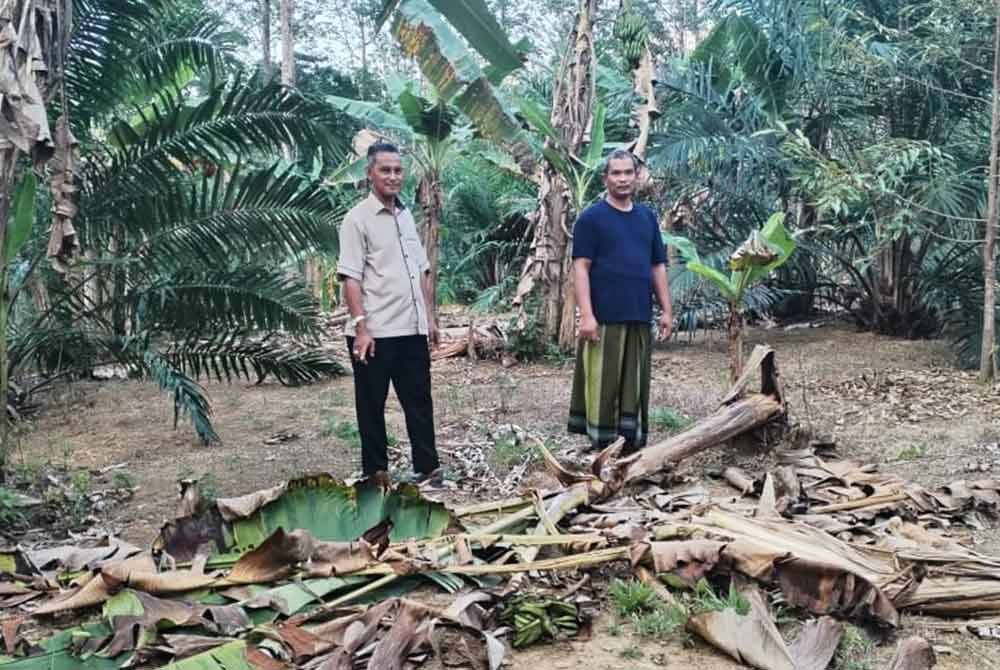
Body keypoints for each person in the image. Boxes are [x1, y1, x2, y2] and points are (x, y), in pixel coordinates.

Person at [337, 141, 441, 481]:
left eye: (398, 170)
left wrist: (430, 317)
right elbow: (351, 277)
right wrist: (361, 327)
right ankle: (376, 475)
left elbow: (421, 270)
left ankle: (428, 470)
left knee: (420, 405)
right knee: (371, 409)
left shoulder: (405, 215)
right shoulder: (357, 220)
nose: (393, 176)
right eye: (385, 170)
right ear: (370, 174)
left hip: (411, 330)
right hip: (376, 334)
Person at [567, 149, 673, 453]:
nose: (623, 179)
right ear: (606, 178)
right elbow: (581, 267)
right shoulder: (591, 219)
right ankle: (602, 444)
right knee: (604, 381)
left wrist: (666, 310)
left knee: (634, 381)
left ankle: (631, 442)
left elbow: (657, 266)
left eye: (628, 172)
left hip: (639, 312)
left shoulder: (647, 218)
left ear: (637, 176)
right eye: (616, 173)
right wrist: (586, 315)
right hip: (604, 315)